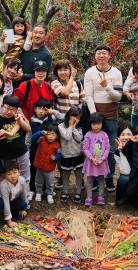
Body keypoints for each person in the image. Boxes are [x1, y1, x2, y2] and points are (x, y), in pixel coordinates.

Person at [83, 44, 123, 192]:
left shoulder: (116, 73)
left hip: (111, 116)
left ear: (109, 55)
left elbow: (118, 97)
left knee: (110, 149)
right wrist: (95, 116)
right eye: (98, 53)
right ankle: (94, 177)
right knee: (94, 148)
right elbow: (88, 96)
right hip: (95, 117)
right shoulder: (90, 72)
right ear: (95, 56)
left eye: (104, 53)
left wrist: (106, 86)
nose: (101, 55)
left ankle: (109, 177)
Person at [50, 59, 85, 191]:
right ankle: (62, 176)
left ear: (70, 70)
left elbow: (83, 100)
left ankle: (80, 177)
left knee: (78, 149)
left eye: (66, 69)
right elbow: (64, 92)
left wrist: (78, 117)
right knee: (62, 150)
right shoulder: (55, 83)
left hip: (76, 122)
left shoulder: (78, 84)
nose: (63, 72)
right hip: (61, 123)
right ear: (56, 72)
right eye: (60, 70)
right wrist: (72, 78)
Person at [57, 106, 85, 203]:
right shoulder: (61, 126)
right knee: (65, 175)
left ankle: (78, 192)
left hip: (78, 154)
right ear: (69, 115)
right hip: (66, 155)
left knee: (79, 175)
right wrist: (70, 126)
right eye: (74, 116)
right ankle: (65, 192)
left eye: (78, 117)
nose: (75, 119)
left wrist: (74, 128)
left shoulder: (79, 127)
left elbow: (79, 138)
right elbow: (67, 136)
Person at [82, 112, 110, 207]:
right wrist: (91, 158)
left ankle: (101, 196)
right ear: (90, 124)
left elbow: (107, 148)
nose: (96, 126)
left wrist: (103, 158)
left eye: (98, 123)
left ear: (102, 124)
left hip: (102, 161)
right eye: (94, 124)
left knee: (101, 179)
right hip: (91, 162)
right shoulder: (88, 135)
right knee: (90, 179)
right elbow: (85, 148)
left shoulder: (104, 135)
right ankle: (89, 197)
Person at [0, 163, 29, 228]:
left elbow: (23, 195)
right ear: (4, 176)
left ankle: (10, 211)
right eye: (9, 174)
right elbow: (6, 201)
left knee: (22, 205)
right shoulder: (4, 185)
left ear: (19, 172)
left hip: (11, 198)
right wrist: (9, 221)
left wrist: (23, 209)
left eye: (15, 173)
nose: (12, 176)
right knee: (1, 204)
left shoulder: (22, 180)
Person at [33, 123, 61, 203]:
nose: (50, 137)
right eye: (49, 134)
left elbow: (59, 153)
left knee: (50, 183)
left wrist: (56, 157)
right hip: (39, 166)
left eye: (53, 135)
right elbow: (33, 137)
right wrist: (40, 132)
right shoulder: (42, 139)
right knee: (38, 181)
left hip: (50, 168)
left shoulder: (57, 144)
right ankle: (39, 192)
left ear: (57, 136)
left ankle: (49, 194)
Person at [114, 124, 134, 202]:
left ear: (133, 136)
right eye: (122, 135)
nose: (126, 137)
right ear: (118, 137)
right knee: (124, 179)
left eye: (129, 134)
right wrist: (122, 152)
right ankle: (127, 196)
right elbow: (126, 171)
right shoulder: (117, 153)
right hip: (128, 176)